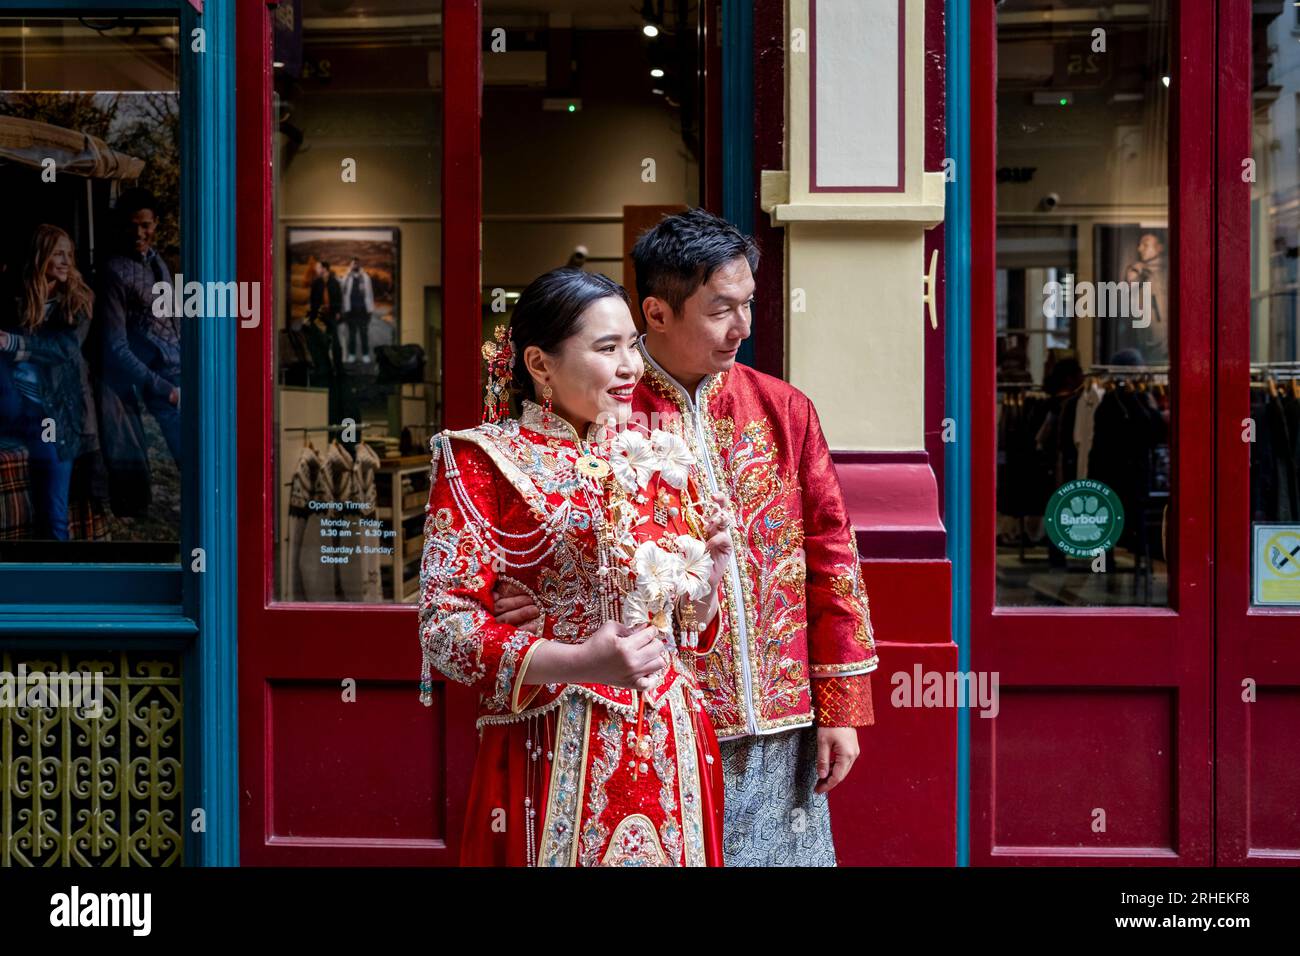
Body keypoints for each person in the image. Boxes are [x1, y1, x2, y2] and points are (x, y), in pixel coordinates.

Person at [492, 208, 880, 866]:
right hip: (648, 718)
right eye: (721, 309)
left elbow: (832, 555)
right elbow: (533, 541)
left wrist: (841, 708)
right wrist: (531, 604)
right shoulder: (596, 409)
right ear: (657, 312)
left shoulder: (784, 410)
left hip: (781, 719)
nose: (743, 327)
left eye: (747, 304)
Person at [417, 268, 733, 866]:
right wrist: (579, 661)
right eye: (607, 348)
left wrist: (709, 579)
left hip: (669, 739)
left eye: (633, 345)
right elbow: (445, 630)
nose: (631, 367)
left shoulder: (658, 456)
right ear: (540, 364)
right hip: (550, 735)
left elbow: (687, 626)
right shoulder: (483, 461)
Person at [0, 224, 96, 540]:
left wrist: (11, 343)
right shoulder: (16, 297)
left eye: (69, 254)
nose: (66, 261)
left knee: (52, 515)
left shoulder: (78, 301)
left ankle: (59, 568)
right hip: (14, 409)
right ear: (40, 256)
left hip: (52, 416)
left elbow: (62, 349)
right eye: (58, 253)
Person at [97, 188, 181, 465]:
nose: (138, 234)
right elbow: (115, 346)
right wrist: (164, 389)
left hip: (184, 370)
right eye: (131, 226)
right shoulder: (114, 271)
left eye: (145, 225)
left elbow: (171, 319)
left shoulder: (157, 261)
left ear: (155, 223)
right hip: (161, 380)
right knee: (192, 459)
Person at [339, 258, 374, 364]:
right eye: (353, 264)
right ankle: (352, 355)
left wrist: (371, 309)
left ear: (359, 265)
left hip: (363, 310)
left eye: (356, 263)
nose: (355, 265)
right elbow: (341, 288)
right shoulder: (347, 277)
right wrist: (347, 273)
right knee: (352, 334)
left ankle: (365, 355)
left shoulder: (365, 277)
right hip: (351, 311)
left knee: (364, 334)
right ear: (350, 265)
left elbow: (370, 293)